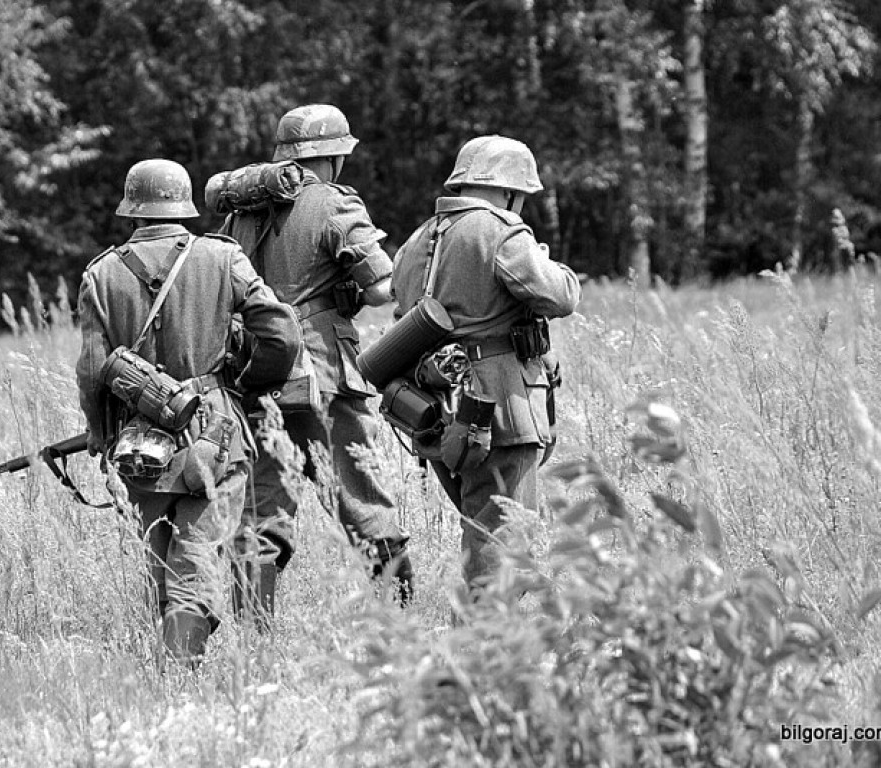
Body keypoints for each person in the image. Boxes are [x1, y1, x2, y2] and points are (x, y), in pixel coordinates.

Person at [76, 158, 301, 665]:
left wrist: (98, 432)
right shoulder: (222, 258)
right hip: (215, 432)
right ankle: (180, 675)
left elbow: (92, 371)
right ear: (183, 204)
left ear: (132, 208)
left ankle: (177, 671)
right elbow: (282, 333)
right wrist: (248, 382)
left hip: (138, 441)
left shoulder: (102, 273)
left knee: (162, 560)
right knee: (196, 555)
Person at [218, 104, 413, 612]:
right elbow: (380, 289)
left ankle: (254, 635)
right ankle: (400, 618)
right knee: (358, 490)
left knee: (263, 505)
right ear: (332, 158)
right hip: (323, 372)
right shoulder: (333, 202)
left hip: (256, 371)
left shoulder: (243, 211)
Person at [390, 135, 581, 594]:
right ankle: (483, 653)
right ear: (509, 191)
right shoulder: (499, 231)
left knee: (483, 528)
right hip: (495, 409)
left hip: (433, 407)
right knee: (500, 541)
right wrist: (550, 264)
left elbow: (401, 315)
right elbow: (561, 295)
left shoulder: (418, 240)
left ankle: (488, 644)